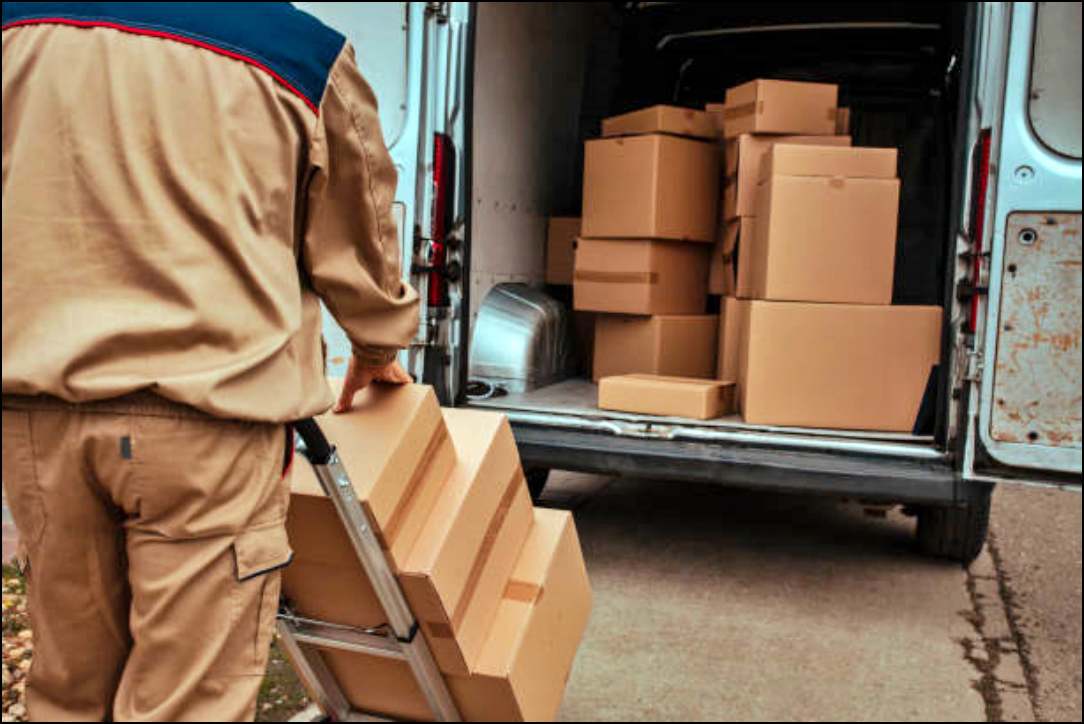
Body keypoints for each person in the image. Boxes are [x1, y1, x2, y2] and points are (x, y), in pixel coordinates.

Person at [1, 3, 419, 720]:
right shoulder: (300, 55)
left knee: (68, 690)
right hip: (208, 428)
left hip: (39, 422)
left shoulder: (17, 29)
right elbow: (359, 231)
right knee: (187, 701)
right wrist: (377, 345)